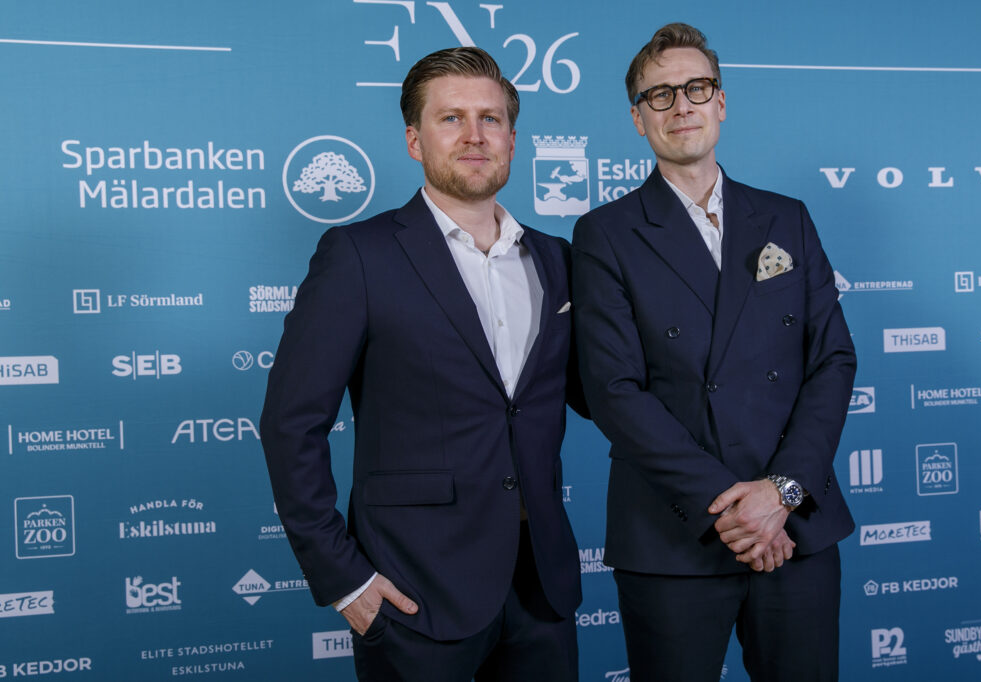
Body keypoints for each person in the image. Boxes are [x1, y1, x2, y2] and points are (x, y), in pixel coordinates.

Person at [261, 46, 584, 682]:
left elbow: (598, 392)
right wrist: (343, 578)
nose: (474, 135)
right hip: (413, 589)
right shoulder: (359, 255)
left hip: (541, 584)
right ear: (414, 140)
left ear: (512, 140)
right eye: (451, 118)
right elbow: (290, 423)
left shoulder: (558, 259)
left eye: (491, 119)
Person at [571, 22, 856, 682]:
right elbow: (613, 391)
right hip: (672, 534)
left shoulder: (787, 218)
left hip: (797, 526)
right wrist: (735, 508)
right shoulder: (605, 234)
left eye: (696, 88)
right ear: (638, 118)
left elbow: (833, 360)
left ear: (720, 102)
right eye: (660, 94)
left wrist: (781, 493)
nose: (681, 105)